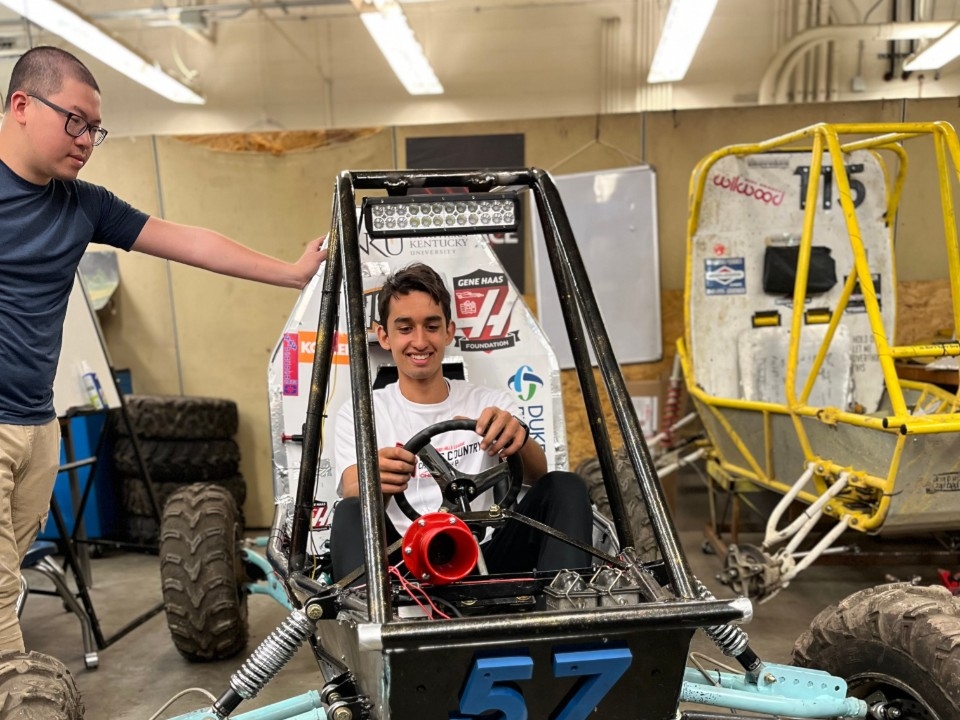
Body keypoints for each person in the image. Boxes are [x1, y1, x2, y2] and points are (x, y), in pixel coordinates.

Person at [0, 46, 327, 653]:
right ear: (22, 105)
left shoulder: (83, 205)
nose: (86, 140)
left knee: (9, 573)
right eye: (74, 121)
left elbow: (189, 242)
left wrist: (290, 273)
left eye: (95, 128)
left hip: (38, 424)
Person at [330, 262, 593, 583]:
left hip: (483, 555)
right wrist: (377, 481)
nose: (420, 341)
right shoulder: (361, 412)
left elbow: (539, 475)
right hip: (402, 560)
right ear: (385, 336)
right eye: (405, 328)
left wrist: (516, 438)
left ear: (448, 331)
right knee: (351, 509)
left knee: (565, 485)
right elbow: (352, 491)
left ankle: (567, 601)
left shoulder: (490, 404)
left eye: (431, 326)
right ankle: (365, 610)